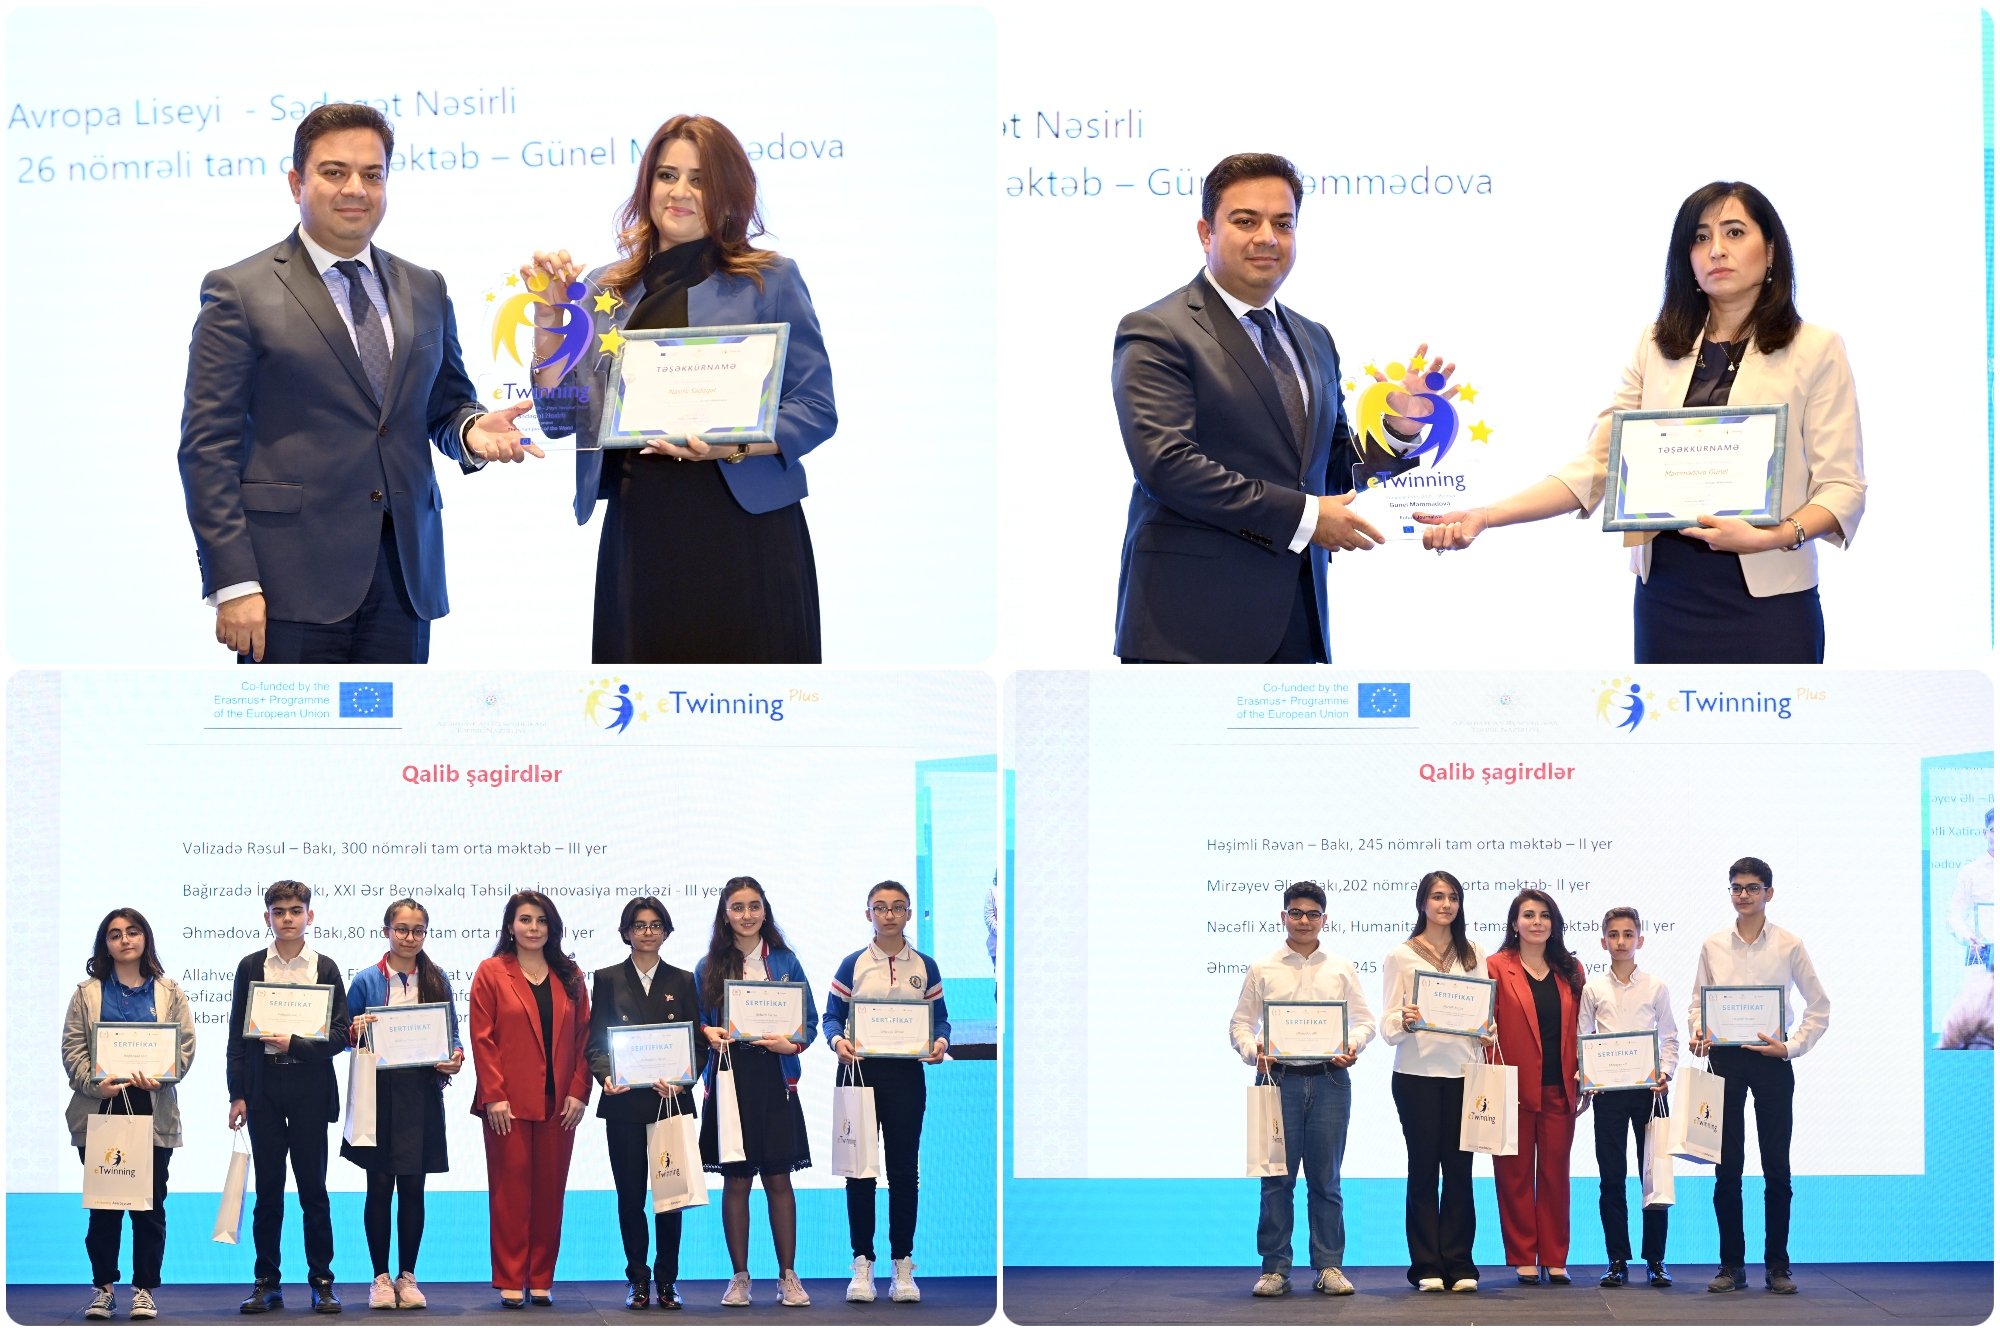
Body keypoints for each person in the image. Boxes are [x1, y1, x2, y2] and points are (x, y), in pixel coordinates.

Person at [1416, 181, 1866, 664]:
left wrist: (1774, 536)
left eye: (1735, 232)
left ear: (1771, 249)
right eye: (1700, 237)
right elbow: (1599, 465)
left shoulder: (1815, 348)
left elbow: (1842, 487)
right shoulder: (1656, 345)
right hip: (1667, 597)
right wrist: (1487, 516)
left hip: (1771, 599)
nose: (1716, 250)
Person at [178, 102, 540, 665]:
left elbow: (444, 407)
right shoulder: (239, 291)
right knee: (295, 730)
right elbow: (207, 449)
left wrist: (472, 431)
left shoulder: (426, 286)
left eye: (372, 175)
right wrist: (234, 582)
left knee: (396, 726)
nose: (355, 189)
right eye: (334, 172)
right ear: (296, 183)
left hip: (404, 580)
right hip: (286, 587)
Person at [1110, 150, 1449, 663]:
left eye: (1283, 223)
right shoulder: (1157, 330)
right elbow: (1167, 466)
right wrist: (1307, 517)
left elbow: (1330, 469)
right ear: (1206, 233)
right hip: (1188, 624)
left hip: (1299, 616)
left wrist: (1398, 430)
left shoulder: (1314, 338)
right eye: (1246, 221)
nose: (1267, 237)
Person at [524, 113, 837, 663]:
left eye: (700, 180)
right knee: (645, 702)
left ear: (729, 192)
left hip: (745, 530)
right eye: (667, 175)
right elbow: (558, 417)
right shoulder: (605, 288)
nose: (680, 192)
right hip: (642, 530)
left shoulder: (769, 278)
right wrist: (549, 316)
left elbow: (815, 408)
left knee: (752, 701)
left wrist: (731, 446)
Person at [1226, 882, 1377, 1299]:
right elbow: (1240, 1024)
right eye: (1296, 913)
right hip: (1276, 1081)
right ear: (1283, 917)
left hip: (1330, 1079)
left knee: (1326, 1180)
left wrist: (1352, 1045)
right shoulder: (1263, 968)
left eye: (1312, 914)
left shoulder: (1341, 968)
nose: (1304, 921)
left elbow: (1365, 1022)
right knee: (1276, 1180)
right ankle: (1274, 1269)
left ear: (1324, 919)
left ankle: (1329, 1266)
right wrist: (1253, 1051)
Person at [1688, 856, 1831, 1295]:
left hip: (1772, 1061)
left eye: (1752, 887)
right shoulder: (1713, 944)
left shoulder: (1789, 944)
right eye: (1736, 887)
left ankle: (1778, 1266)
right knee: (1726, 1168)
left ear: (1769, 892)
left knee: (1776, 1169)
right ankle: (1731, 1265)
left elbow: (1819, 1007)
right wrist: (1699, 1032)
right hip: (1725, 1061)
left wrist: (1790, 1047)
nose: (1743, 895)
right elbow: (1697, 1003)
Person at [63, 909, 197, 1321]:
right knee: (104, 1207)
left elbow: (185, 1047)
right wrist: (94, 1084)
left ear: (145, 939)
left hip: (152, 1110)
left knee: (149, 1208)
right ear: (105, 944)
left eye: (133, 932)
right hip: (100, 1109)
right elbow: (73, 1048)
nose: (125, 940)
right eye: (115, 934)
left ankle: (143, 1290)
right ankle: (103, 1289)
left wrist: (163, 1075)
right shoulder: (87, 993)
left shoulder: (170, 992)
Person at [226, 880, 352, 1314]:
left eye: (295, 911)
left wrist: (294, 1043)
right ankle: (267, 1281)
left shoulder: (325, 967)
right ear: (267, 918)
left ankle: (322, 1281)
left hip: (309, 1087)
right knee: (268, 1192)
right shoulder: (250, 966)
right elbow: (237, 1036)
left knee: (314, 1190)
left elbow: (340, 1035)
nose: (287, 919)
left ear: (309, 916)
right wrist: (237, 1093)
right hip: (263, 1088)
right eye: (278, 912)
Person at [823, 880, 952, 1303]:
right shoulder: (853, 964)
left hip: (906, 1077)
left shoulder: (926, 966)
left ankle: (902, 1265)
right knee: (859, 1170)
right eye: (880, 907)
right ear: (869, 914)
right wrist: (837, 1042)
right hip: (858, 1074)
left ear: (909, 914)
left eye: (898, 907)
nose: (889, 914)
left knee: (903, 1172)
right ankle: (862, 1264)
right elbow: (830, 1017)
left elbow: (940, 1019)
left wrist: (940, 1042)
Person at [694, 876, 820, 1307]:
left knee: (779, 1177)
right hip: (730, 1079)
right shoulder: (708, 966)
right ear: (725, 914)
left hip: (775, 1078)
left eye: (753, 906)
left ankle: (788, 1276)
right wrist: (708, 1033)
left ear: (765, 911)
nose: (746, 915)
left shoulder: (785, 962)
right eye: (737, 907)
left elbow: (809, 1022)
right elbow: (697, 1022)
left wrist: (792, 1044)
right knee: (736, 1179)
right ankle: (740, 1277)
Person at [469, 891, 591, 1308]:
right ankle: (510, 1276)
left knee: (550, 1193)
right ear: (510, 926)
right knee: (510, 1193)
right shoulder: (491, 971)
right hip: (507, 1104)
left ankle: (540, 1277)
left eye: (541, 920)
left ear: (552, 927)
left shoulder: (570, 974)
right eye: (525, 919)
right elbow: (482, 1037)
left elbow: (585, 1037)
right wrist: (494, 1095)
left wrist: (579, 1090)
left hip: (561, 1105)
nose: (534, 928)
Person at [341, 899, 464, 1311]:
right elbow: (344, 1036)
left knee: (413, 1187)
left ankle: (407, 1276)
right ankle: (379, 1278)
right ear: (386, 931)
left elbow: (453, 1036)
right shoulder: (365, 980)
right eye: (402, 929)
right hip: (377, 1094)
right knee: (378, 1187)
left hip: (421, 1094)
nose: (409, 937)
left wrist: (455, 1057)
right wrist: (354, 1030)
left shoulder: (437, 979)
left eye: (417, 930)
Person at [585, 896, 706, 1310]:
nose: (648, 932)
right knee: (630, 1196)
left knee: (671, 1198)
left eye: (655, 925)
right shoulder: (606, 979)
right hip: (624, 1106)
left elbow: (697, 1044)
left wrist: (684, 1081)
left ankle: (668, 1281)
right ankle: (638, 1279)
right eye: (639, 925)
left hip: (670, 1103)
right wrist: (605, 1075)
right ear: (626, 932)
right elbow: (595, 1040)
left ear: (666, 932)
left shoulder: (684, 980)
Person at [1380, 871, 1492, 1293]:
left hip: (1465, 1074)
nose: (1446, 904)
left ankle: (1460, 1264)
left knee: (1461, 1171)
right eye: (1438, 896)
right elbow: (1388, 1023)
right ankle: (1426, 1265)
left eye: (1453, 897)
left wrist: (1487, 1029)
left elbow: (1484, 1012)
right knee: (1423, 1169)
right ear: (1422, 903)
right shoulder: (1400, 955)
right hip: (1416, 1076)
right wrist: (1405, 1021)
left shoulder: (1473, 952)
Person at [1487, 889, 1585, 1283]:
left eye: (1545, 915)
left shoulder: (1571, 969)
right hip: (1511, 1089)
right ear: (1515, 923)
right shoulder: (1495, 966)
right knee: (1513, 1176)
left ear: (1554, 923)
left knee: (1555, 1174)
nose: (1537, 922)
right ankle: (1524, 1254)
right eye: (1528, 915)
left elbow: (1583, 1028)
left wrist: (1587, 1073)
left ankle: (1555, 1255)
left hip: (1560, 1087)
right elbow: (1485, 1025)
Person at [1580, 907, 1678, 1288]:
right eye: (1613, 935)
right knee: (1611, 1178)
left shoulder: (1656, 987)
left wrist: (1665, 1073)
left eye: (1628, 934)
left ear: (1640, 939)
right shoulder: (1593, 989)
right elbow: (1583, 1039)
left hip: (1650, 1094)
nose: (1621, 942)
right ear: (1603, 941)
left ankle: (1656, 1260)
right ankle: (1617, 1260)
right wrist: (1587, 1075)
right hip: (1608, 1095)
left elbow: (1669, 1038)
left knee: (1654, 1178)